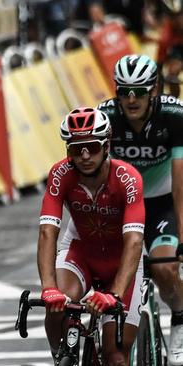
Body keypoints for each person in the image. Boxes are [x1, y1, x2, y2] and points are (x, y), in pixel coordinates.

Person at [37, 107, 145, 364]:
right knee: (57, 305)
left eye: (92, 148)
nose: (84, 156)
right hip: (81, 252)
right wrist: (49, 288)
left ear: (106, 146)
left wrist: (114, 293)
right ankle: (63, 357)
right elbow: (47, 232)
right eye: (76, 149)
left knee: (115, 356)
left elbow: (134, 241)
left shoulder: (127, 178)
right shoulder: (60, 174)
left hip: (122, 261)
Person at [97, 54, 183, 365]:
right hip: (123, 206)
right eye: (124, 91)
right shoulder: (105, 119)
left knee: (163, 268)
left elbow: (180, 184)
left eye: (140, 91)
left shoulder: (174, 116)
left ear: (154, 90)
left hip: (163, 204)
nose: (131, 99)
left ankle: (180, 315)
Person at [157, 0, 183, 97]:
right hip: (178, 50)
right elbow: (159, 65)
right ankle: (173, 102)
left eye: (180, 16)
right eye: (174, 18)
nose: (178, 21)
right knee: (172, 74)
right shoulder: (166, 36)